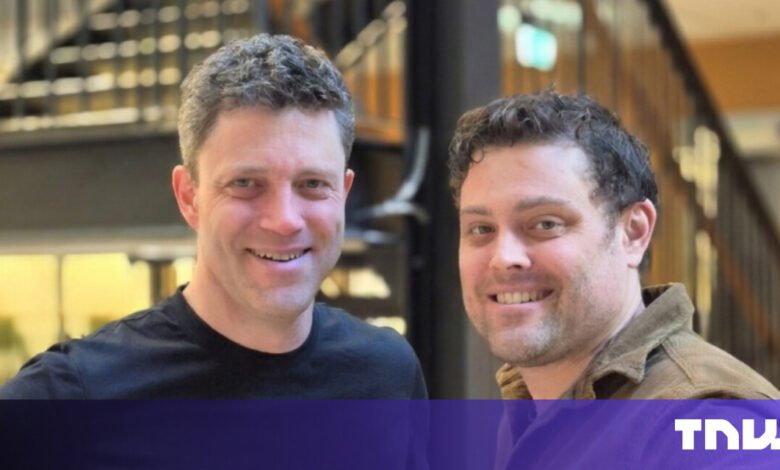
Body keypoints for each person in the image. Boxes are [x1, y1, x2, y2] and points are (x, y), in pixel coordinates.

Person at [0, 34, 426, 399]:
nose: (284, 220)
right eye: (245, 184)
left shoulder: (388, 374)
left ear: (344, 195)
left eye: (313, 184)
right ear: (189, 196)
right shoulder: (71, 398)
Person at [448, 90, 779, 401]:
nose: (503, 258)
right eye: (481, 228)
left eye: (546, 224)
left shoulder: (707, 417)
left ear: (633, 232)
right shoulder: (537, 401)